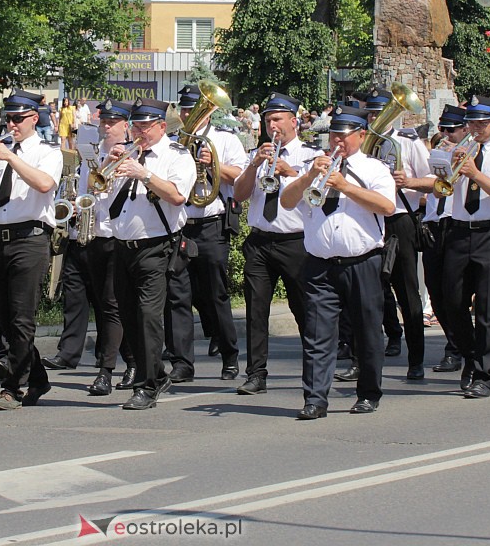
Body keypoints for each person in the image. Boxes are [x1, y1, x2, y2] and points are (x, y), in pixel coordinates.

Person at [280, 104, 396, 419]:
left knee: (367, 330)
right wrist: (308, 177)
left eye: (344, 136)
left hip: (362, 262)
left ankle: (369, 393)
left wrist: (346, 187)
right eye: (333, 135)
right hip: (319, 264)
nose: (337, 142)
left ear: (360, 135)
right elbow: (287, 202)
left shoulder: (374, 169)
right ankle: (315, 399)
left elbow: (386, 206)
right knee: (317, 333)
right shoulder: (314, 167)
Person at [0, 89, 63, 410]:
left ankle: (12, 388)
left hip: (30, 238)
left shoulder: (48, 151)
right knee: (4, 320)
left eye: (19, 119)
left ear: (34, 118)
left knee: (21, 319)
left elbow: (45, 184)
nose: (12, 124)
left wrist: (11, 157)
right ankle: (38, 379)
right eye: (9, 118)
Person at [106, 98, 196, 410]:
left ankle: (146, 387)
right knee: (129, 317)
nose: (140, 131)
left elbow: (177, 195)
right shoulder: (128, 153)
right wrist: (111, 166)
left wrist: (143, 174)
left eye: (146, 126)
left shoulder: (176, 156)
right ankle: (156, 374)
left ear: (161, 126)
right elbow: (105, 195)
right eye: (137, 125)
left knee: (148, 317)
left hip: (156, 247)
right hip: (122, 246)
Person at [42, 99, 134, 394]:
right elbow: (85, 193)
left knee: (110, 305)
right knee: (94, 301)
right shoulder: (92, 157)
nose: (106, 127)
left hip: (115, 238)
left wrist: (116, 163)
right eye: (103, 122)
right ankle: (132, 360)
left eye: (112, 123)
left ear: (125, 126)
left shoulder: (134, 156)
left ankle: (106, 371)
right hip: (88, 236)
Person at [232, 92, 319, 395]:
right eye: (268, 120)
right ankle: (256, 374)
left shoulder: (310, 155)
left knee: (304, 309)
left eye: (278, 119)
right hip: (259, 241)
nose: (272, 125)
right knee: (256, 310)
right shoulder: (257, 154)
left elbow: (316, 194)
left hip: (296, 242)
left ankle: (315, 371)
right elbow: (240, 195)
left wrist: (290, 172)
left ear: (294, 121)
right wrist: (255, 165)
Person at [437, 96, 490, 399]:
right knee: (453, 302)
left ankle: (484, 373)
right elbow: (443, 186)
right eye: (472, 123)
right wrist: (447, 167)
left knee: (488, 308)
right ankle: (470, 356)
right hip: (460, 232)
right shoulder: (463, 152)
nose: (475, 128)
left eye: (482, 123)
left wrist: (476, 174)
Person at [169, 84, 248, 383]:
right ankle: (182, 363)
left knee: (216, 294)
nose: (189, 114)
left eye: (194, 109)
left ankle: (229, 355)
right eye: (186, 109)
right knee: (179, 297)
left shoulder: (225, 140)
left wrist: (211, 163)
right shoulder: (175, 142)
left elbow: (240, 178)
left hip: (211, 224)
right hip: (181, 225)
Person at [357, 87, 431, 380]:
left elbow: (434, 183)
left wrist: (408, 180)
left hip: (400, 220)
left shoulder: (408, 142)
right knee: (369, 292)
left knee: (407, 291)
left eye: (380, 111)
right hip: (370, 218)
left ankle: (416, 359)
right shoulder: (361, 144)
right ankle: (369, 355)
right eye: (372, 112)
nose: (375, 117)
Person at [419, 104, 468, 372]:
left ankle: (457, 348)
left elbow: (430, 185)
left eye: (452, 130)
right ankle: (455, 341)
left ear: (465, 129)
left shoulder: (469, 154)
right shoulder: (439, 152)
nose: (447, 135)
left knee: (454, 291)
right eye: (443, 129)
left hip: (455, 225)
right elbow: (431, 183)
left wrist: (410, 183)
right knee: (436, 291)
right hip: (434, 226)